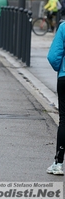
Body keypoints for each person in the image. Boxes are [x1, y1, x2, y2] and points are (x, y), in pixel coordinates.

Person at [46, 19, 65, 175]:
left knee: (64, 120)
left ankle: (58, 163)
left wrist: (60, 67)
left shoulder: (64, 27)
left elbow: (53, 57)